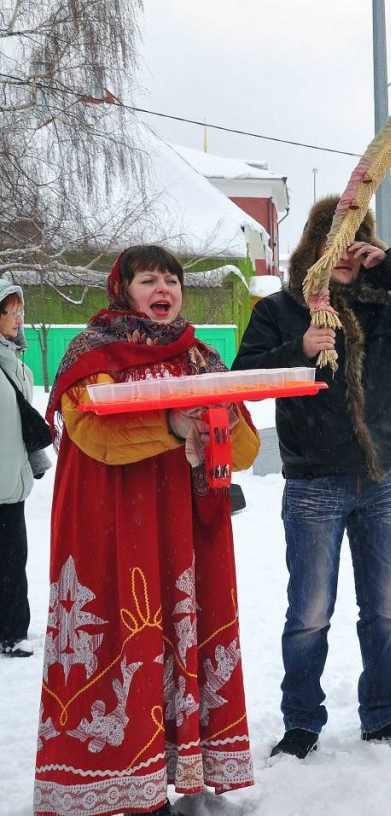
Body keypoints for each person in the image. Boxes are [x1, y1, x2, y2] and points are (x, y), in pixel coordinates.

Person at [35, 245, 261, 816]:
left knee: (184, 631)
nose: (163, 289)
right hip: (113, 525)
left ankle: (185, 773)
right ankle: (116, 787)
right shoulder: (94, 353)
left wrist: (223, 415)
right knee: (121, 634)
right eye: (148, 279)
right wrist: (170, 423)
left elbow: (245, 449)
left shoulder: (201, 357)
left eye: (171, 280)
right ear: (123, 289)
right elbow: (96, 437)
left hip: (187, 530)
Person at [232, 195, 391, 759]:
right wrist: (298, 350)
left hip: (381, 481)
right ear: (314, 245)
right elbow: (243, 380)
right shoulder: (282, 309)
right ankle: (302, 723)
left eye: (358, 239)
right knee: (309, 613)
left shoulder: (385, 304)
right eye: (337, 239)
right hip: (313, 485)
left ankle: (381, 715)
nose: (347, 252)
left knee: (384, 609)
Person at [0, 281, 51, 659]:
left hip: (11, 484)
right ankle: (11, 632)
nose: (19, 319)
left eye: (19, 311)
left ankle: (13, 630)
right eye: (10, 312)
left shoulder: (15, 364)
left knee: (14, 560)